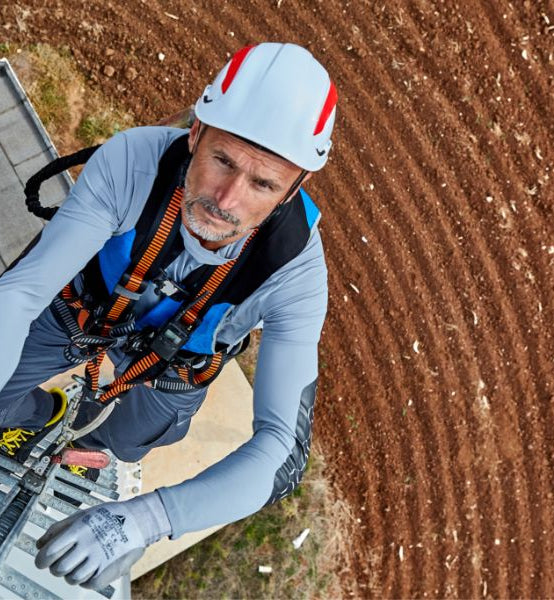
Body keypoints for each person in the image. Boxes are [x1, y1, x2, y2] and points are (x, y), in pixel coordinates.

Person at [0, 42, 337, 588]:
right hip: (85, 311)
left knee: (132, 441)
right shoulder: (133, 163)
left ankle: (93, 449)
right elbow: (20, 294)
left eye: (263, 184)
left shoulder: (295, 272)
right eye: (223, 161)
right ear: (196, 133)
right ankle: (42, 413)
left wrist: (145, 522)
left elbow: (282, 448)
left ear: (294, 188)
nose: (226, 200)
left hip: (174, 365)